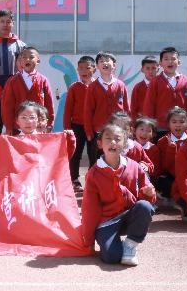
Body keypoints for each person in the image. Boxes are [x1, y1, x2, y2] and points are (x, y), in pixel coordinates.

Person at [80, 123, 156, 266]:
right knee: (112, 258)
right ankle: (113, 244)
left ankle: (130, 244)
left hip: (129, 216)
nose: (113, 142)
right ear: (100, 143)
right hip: (107, 222)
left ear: (125, 144)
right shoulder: (94, 174)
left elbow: (149, 198)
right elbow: (90, 209)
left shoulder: (134, 166)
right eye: (108, 139)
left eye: (117, 139)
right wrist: (88, 240)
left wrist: (149, 194)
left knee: (144, 206)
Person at [142, 47, 187, 139]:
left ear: (179, 62)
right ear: (160, 63)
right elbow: (149, 105)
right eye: (166, 59)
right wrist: (150, 126)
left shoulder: (186, 81)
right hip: (161, 128)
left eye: (173, 59)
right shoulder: (155, 81)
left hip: (181, 128)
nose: (170, 62)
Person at [1, 46, 54, 135]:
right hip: (18, 128)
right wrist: (8, 126)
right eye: (24, 57)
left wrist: (49, 124)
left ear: (38, 61)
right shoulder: (12, 81)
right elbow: (7, 105)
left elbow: (49, 104)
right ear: (20, 61)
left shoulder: (43, 80)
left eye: (31, 57)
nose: (27, 59)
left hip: (38, 127)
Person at [64, 55, 97, 190]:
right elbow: (68, 110)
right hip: (77, 126)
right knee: (75, 153)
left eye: (87, 68)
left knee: (94, 153)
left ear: (94, 69)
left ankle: (92, 178)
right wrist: (67, 128)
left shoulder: (97, 86)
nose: (84, 71)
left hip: (94, 126)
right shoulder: (74, 87)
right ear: (77, 70)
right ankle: (74, 179)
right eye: (81, 68)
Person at [84, 52, 129, 141]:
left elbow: (126, 108)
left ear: (114, 65)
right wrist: (88, 131)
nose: (105, 63)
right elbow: (88, 111)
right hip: (99, 131)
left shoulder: (121, 85)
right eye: (101, 61)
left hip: (118, 130)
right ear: (97, 66)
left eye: (107, 60)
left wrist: (127, 128)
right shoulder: (92, 87)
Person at [147, 107, 187, 204]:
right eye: (174, 122)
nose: (178, 125)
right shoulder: (163, 141)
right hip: (172, 175)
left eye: (182, 122)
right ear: (168, 124)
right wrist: (171, 149)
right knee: (164, 182)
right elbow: (164, 167)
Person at [130, 55, 158, 121]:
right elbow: (133, 109)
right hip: (143, 123)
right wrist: (135, 123)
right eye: (147, 68)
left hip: (160, 123)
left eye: (153, 68)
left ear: (158, 69)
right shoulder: (138, 88)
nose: (150, 71)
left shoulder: (162, 86)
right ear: (142, 70)